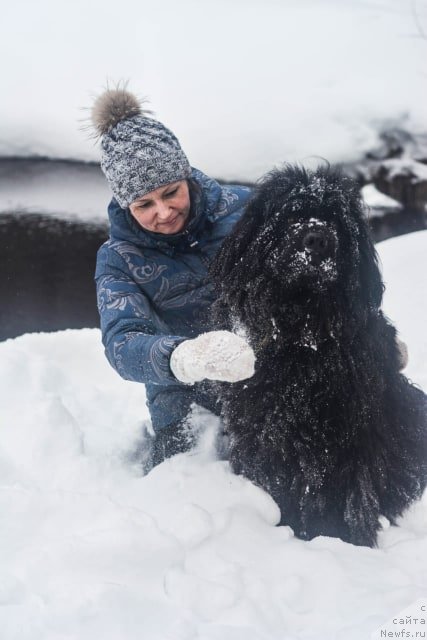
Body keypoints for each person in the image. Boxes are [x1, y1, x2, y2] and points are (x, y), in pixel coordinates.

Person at [92, 86, 256, 465]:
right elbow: (122, 343)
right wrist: (187, 357)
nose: (164, 212)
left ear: (187, 177)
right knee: (186, 488)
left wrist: (364, 336)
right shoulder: (118, 259)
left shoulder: (247, 209)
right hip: (183, 397)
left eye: (171, 193)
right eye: (144, 204)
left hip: (269, 374)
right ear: (125, 203)